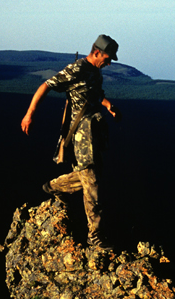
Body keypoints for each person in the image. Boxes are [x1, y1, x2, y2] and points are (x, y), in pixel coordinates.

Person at [21, 34, 121, 249]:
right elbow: (45, 86)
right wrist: (30, 114)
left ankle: (54, 186)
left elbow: (94, 93)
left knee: (89, 176)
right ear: (96, 53)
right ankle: (95, 235)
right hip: (80, 135)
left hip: (94, 133)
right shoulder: (76, 69)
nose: (109, 62)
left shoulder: (94, 71)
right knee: (92, 182)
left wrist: (108, 105)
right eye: (107, 57)